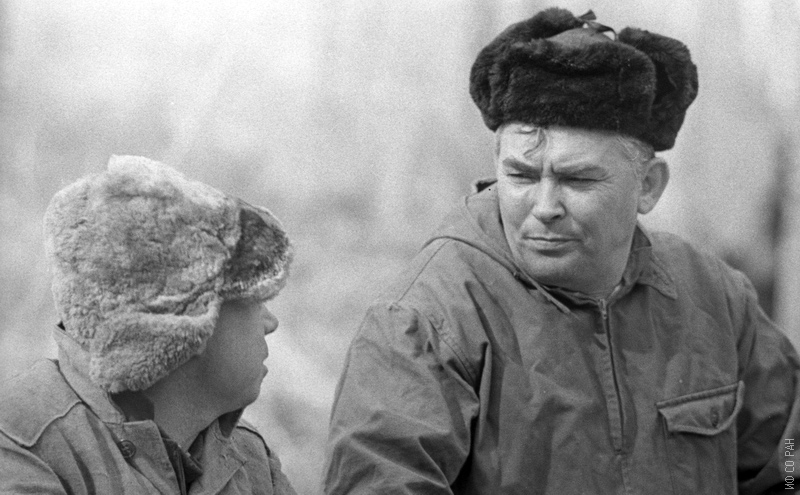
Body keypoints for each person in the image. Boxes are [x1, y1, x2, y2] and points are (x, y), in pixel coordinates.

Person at [323, 7, 800, 494]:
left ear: (648, 186)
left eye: (578, 180)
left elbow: (788, 457)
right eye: (521, 176)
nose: (545, 207)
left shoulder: (717, 297)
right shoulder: (426, 319)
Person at [0, 155, 297, 494]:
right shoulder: (20, 446)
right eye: (256, 300)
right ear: (189, 320)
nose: (270, 322)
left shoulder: (252, 458)